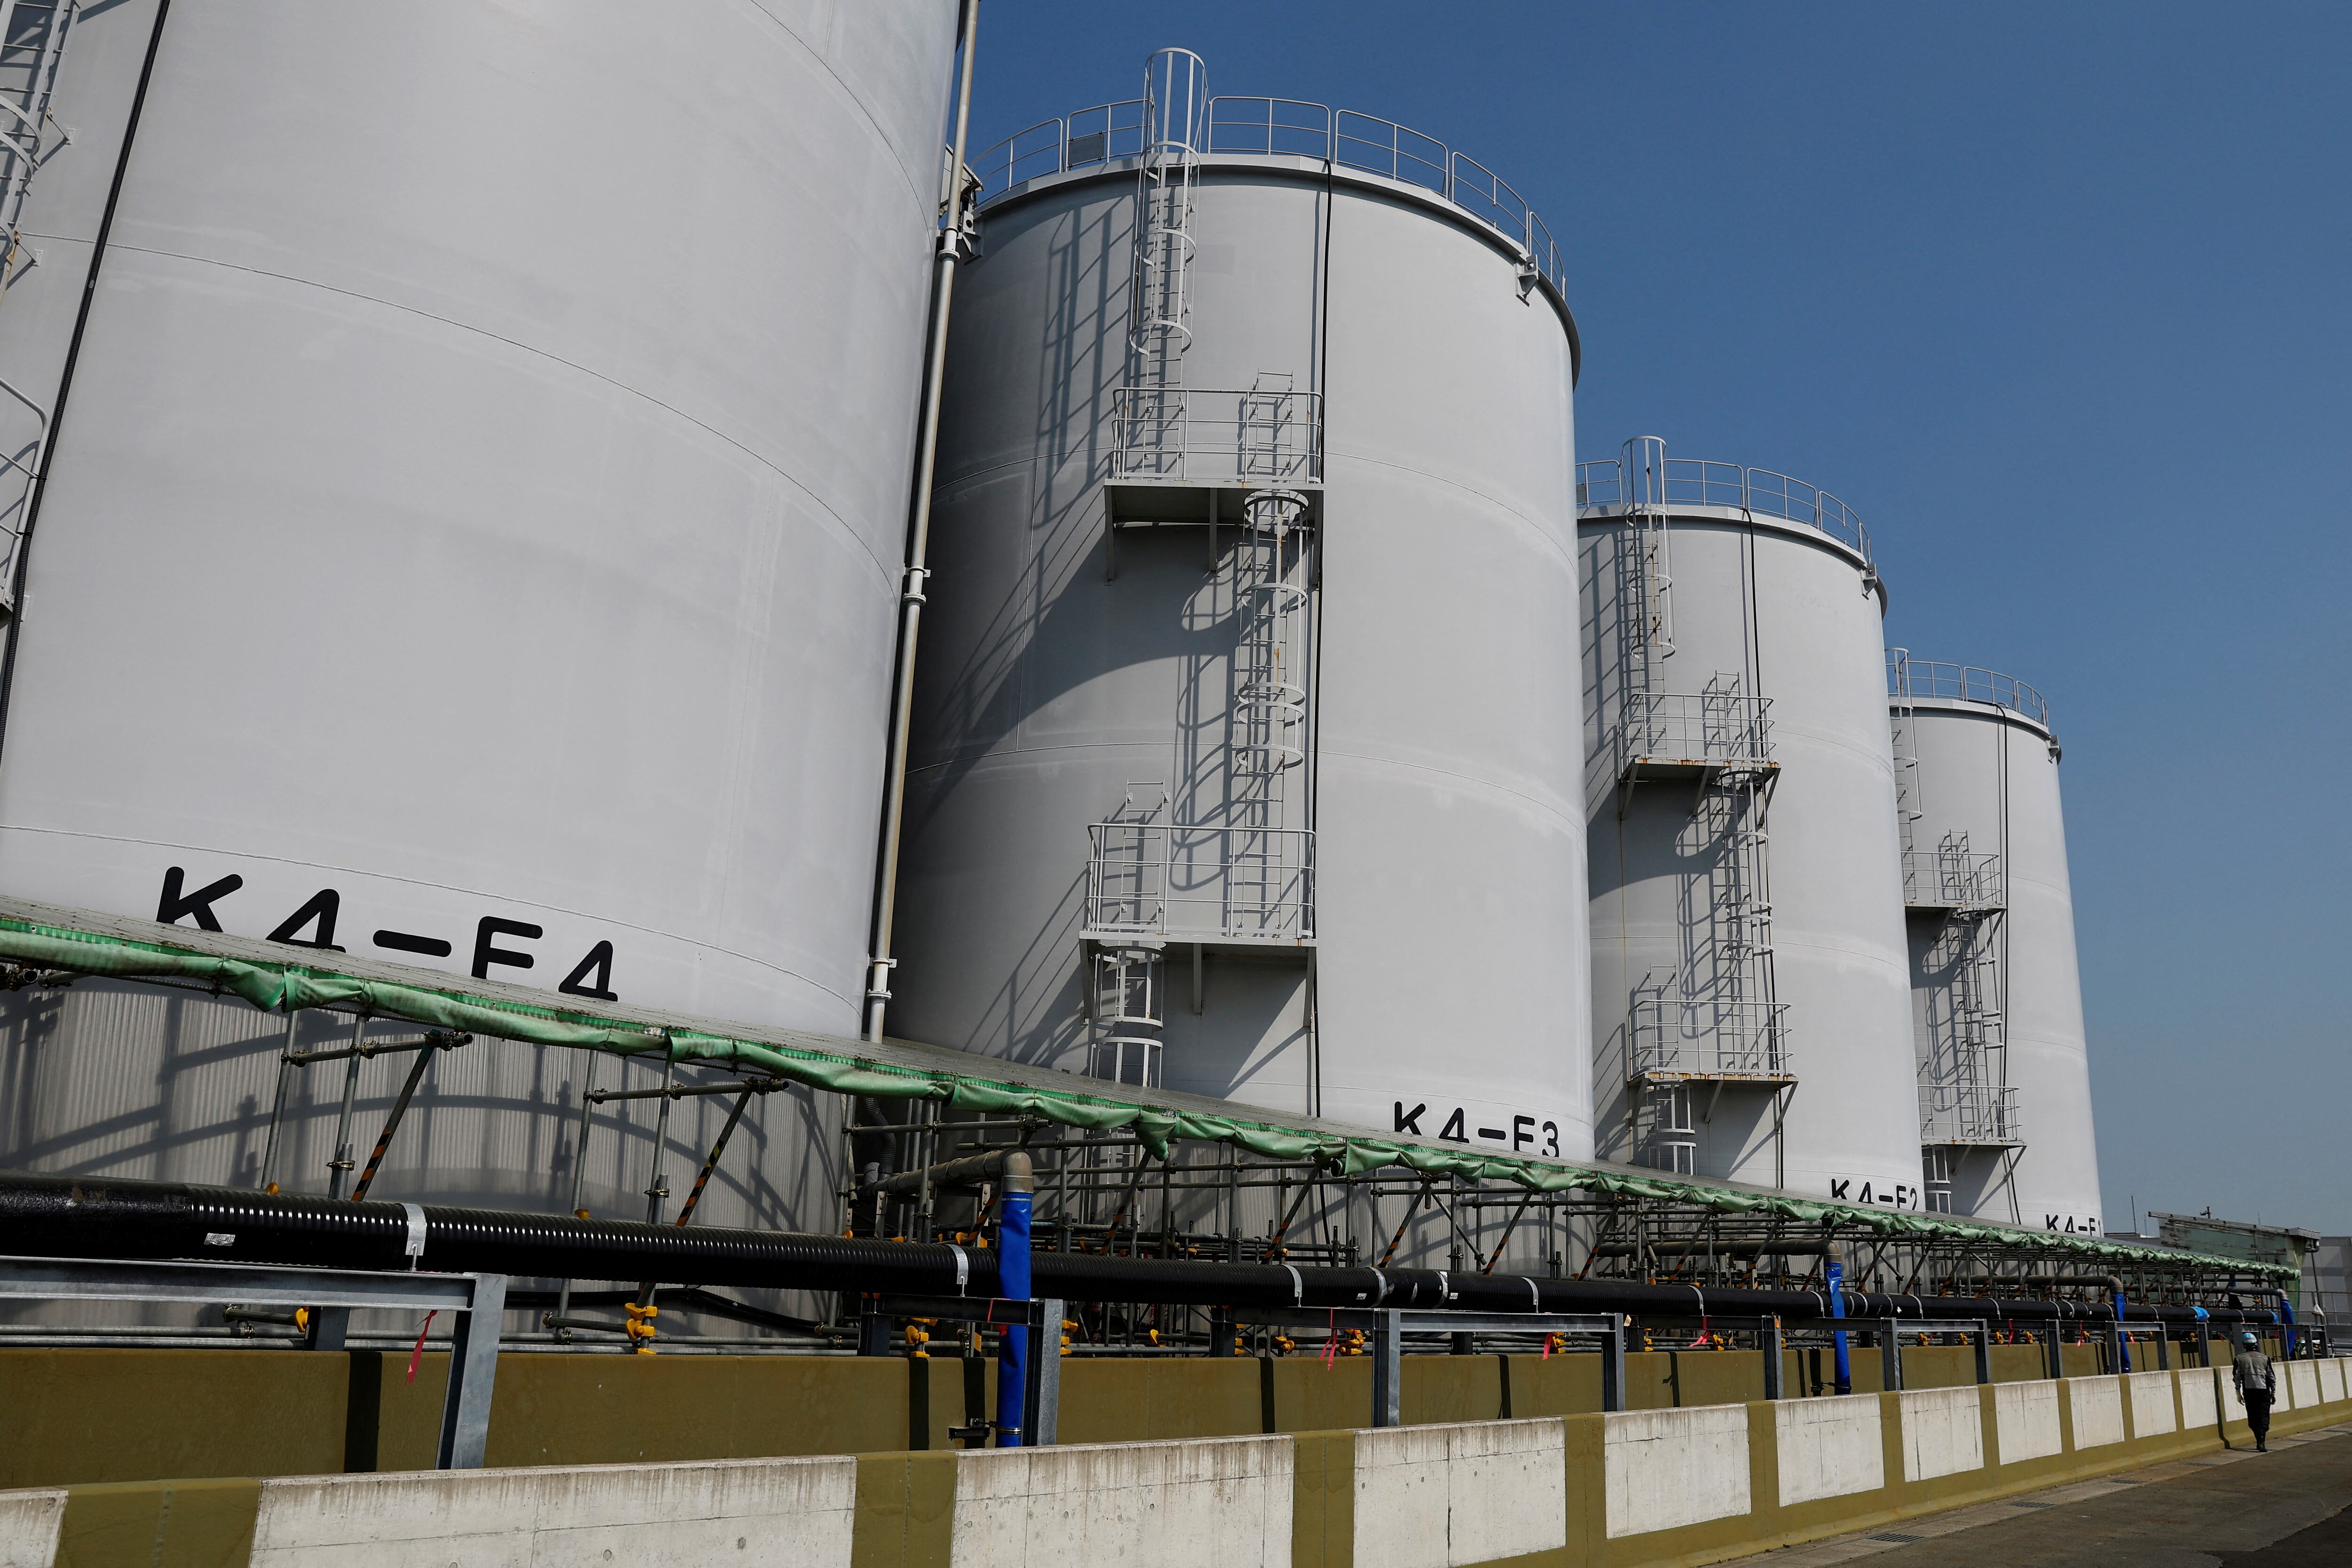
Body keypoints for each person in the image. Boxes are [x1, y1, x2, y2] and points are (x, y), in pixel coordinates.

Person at [2233, 1330, 2276, 1451]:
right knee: (2264, 1416)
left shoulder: (2239, 1359)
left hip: (2249, 1391)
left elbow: (2236, 1377)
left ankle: (2258, 1440)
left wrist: (2238, 1392)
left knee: (2252, 1416)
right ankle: (2262, 1442)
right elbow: (2271, 1376)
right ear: (2256, 1345)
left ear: (2244, 1345)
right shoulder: (2265, 1358)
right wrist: (2273, 1392)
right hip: (2264, 1391)